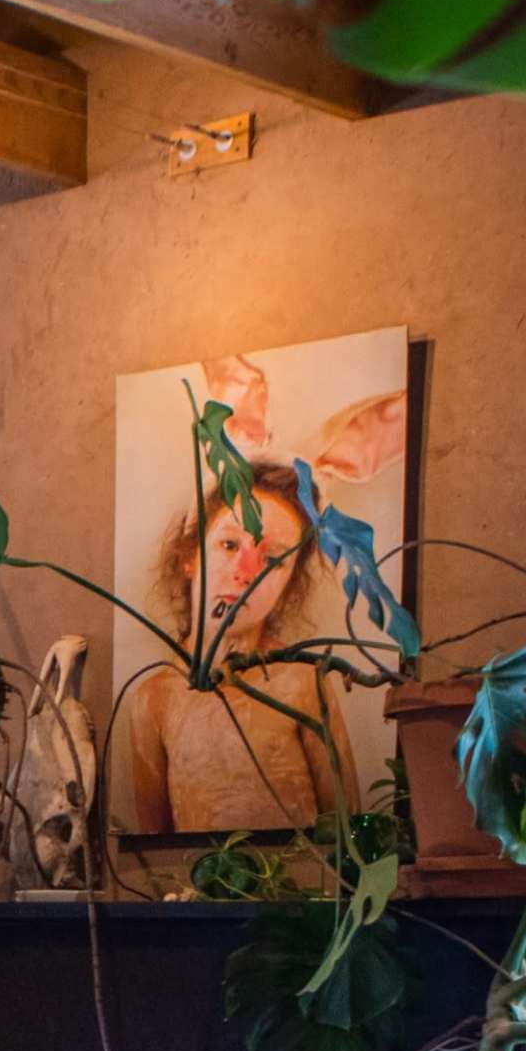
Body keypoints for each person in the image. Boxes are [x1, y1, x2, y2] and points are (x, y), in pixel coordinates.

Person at [121, 358, 407, 839]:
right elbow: (153, 850)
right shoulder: (155, 698)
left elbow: (341, 833)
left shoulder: (303, 685)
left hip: (294, 910)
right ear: (191, 555)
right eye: (230, 545)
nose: (245, 574)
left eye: (273, 559)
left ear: (290, 579)